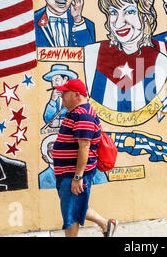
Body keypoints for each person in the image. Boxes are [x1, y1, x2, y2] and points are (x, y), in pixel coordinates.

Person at [83, 0, 167, 115]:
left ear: (145, 16)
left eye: (129, 12)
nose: (119, 22)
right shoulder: (92, 53)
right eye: (113, 12)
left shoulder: (161, 61)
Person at [52, 78, 117, 237]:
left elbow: (84, 147)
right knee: (76, 207)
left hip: (73, 174)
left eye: (64, 94)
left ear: (76, 95)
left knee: (71, 215)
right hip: (68, 173)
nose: (61, 97)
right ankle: (105, 225)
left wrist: (77, 177)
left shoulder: (83, 116)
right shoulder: (75, 113)